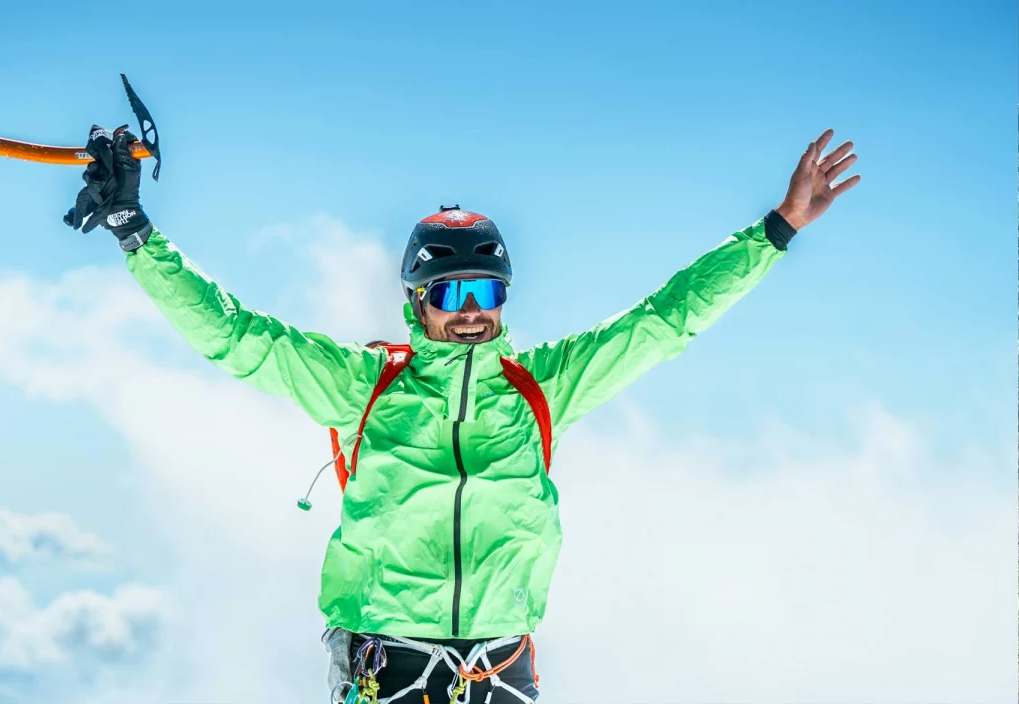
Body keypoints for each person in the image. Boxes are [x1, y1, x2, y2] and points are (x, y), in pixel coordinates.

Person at [64, 126, 859, 703]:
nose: (471, 310)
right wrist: (136, 233)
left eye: (487, 291)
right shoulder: (363, 385)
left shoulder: (543, 386)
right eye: (451, 293)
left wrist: (776, 231)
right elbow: (234, 335)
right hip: (388, 669)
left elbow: (665, 320)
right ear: (418, 302)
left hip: (501, 672)